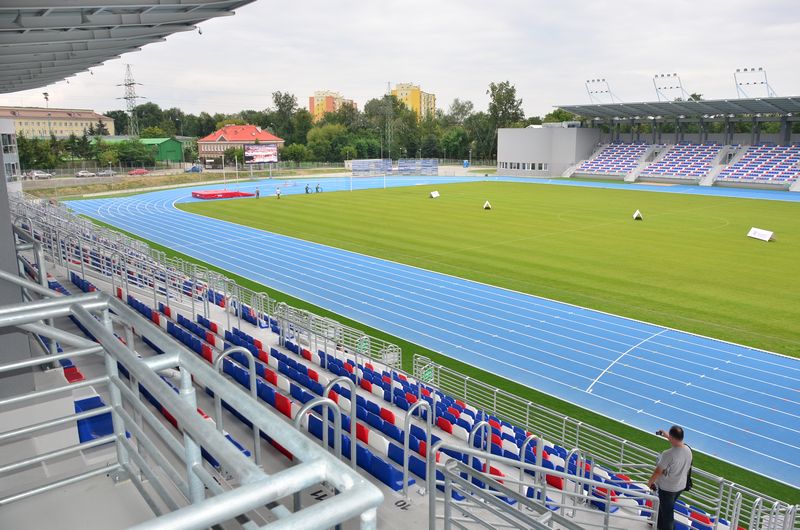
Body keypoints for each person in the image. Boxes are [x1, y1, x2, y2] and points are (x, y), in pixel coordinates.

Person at [648, 425, 692, 530]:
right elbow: (677, 443)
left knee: (668, 516)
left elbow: (658, 471)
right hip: (680, 487)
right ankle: (657, 524)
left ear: (672, 438)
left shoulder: (668, 454)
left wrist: (650, 482)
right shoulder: (688, 450)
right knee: (663, 508)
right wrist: (667, 435)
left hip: (667, 489)